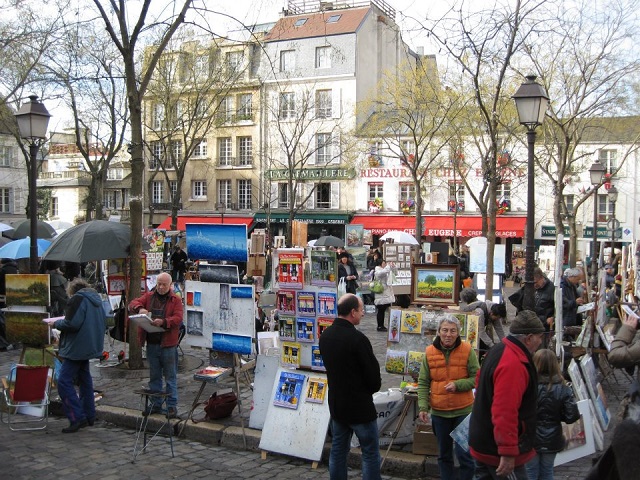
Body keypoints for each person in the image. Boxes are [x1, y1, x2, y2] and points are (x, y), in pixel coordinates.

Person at [469, 310, 546, 480]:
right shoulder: (513, 363)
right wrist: (508, 451)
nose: (540, 342)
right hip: (496, 449)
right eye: (539, 337)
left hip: (484, 439)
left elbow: (479, 381)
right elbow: (505, 410)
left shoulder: (498, 349)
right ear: (529, 338)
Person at [319, 293, 382, 480]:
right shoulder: (357, 339)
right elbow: (372, 376)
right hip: (359, 406)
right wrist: (369, 389)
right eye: (361, 310)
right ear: (353, 312)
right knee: (370, 452)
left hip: (338, 404)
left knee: (338, 449)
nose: (363, 314)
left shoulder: (326, 335)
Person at [417, 315, 479, 480]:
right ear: (438, 332)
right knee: (444, 455)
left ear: (458, 333)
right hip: (439, 412)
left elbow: (476, 378)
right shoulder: (430, 352)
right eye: (445, 330)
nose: (448, 334)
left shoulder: (467, 350)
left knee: (464, 454)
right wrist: (423, 406)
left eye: (453, 331)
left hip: (463, 411)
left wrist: (458, 385)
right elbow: (423, 382)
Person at [52, 278, 105, 433]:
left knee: (64, 381)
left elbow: (72, 324)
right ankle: (89, 415)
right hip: (90, 344)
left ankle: (76, 416)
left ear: (72, 290)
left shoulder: (78, 299)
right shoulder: (96, 299)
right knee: (84, 379)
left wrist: (55, 324)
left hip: (77, 346)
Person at [129, 272, 183, 418]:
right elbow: (132, 304)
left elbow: (178, 318)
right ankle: (156, 404)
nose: (160, 286)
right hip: (152, 344)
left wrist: (164, 322)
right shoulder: (149, 296)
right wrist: (140, 309)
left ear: (170, 285)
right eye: (158, 283)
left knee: (170, 377)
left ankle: (172, 406)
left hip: (168, 344)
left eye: (163, 284)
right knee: (154, 376)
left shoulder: (175, 300)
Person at [525, 349, 580, 480]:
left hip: (530, 435)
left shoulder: (528, 386)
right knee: (547, 471)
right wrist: (556, 415)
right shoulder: (563, 388)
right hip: (552, 436)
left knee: (530, 472)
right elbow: (571, 415)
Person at [509, 267, 555, 347]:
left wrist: (552, 318)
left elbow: (557, 308)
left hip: (542, 327)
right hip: (529, 325)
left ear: (541, 278)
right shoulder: (531, 287)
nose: (534, 285)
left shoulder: (552, 289)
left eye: (535, 282)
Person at [0, 258, 18, 350]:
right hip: (12, 297)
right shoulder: (14, 269)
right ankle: (13, 341)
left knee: (3, 320)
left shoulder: (3, 271)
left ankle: (4, 343)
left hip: (3, 298)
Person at [373, 259, 396, 332]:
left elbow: (395, 273)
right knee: (381, 310)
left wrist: (393, 267)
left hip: (386, 293)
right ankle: (380, 326)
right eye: (384, 263)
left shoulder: (385, 269)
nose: (385, 264)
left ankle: (383, 325)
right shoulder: (377, 270)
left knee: (384, 309)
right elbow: (381, 273)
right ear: (380, 264)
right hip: (381, 293)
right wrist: (388, 267)